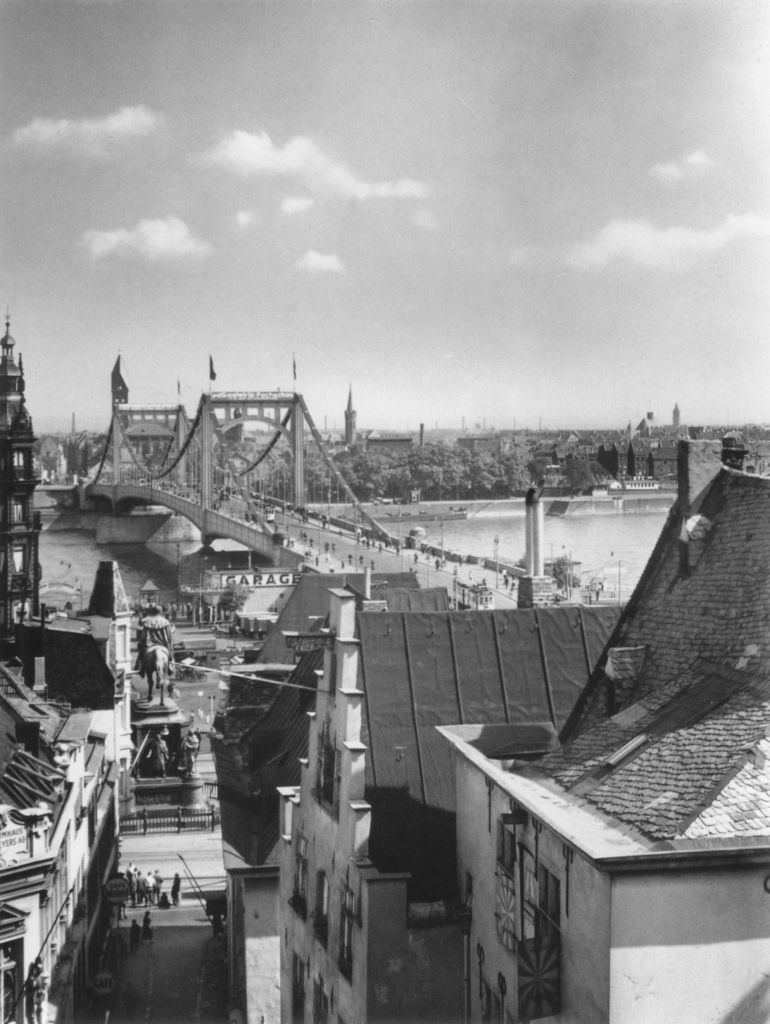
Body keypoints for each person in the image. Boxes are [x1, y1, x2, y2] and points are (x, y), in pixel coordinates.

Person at [135, 604, 175, 678]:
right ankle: (170, 666)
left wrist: (142, 642)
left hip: (149, 645)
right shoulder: (165, 621)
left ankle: (140, 668)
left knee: (141, 653)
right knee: (170, 654)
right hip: (162, 644)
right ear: (160, 612)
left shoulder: (147, 621)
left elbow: (143, 636)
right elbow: (168, 636)